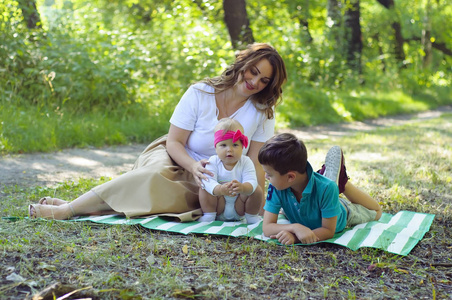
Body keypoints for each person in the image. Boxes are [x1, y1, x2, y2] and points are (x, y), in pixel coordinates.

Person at [28, 42, 287, 221]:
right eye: (253, 72)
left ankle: (86, 207)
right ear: (243, 63)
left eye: (264, 80)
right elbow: (175, 141)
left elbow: (254, 162)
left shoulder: (263, 110)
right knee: (153, 177)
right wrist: (193, 168)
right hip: (175, 155)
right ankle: (69, 210)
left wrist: (253, 196)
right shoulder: (200, 92)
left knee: (176, 199)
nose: (255, 82)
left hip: (214, 176)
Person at [257, 133, 382, 245]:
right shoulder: (277, 186)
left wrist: (296, 237)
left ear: (290, 177)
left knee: (376, 213)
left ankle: (343, 184)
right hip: (313, 206)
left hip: (342, 212)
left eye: (269, 174)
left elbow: (328, 230)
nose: (266, 177)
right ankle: (327, 177)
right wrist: (295, 227)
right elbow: (267, 227)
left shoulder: (327, 189)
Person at [198, 118, 261, 224]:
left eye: (235, 145)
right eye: (223, 145)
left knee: (256, 189)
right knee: (204, 184)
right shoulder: (213, 161)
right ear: (216, 147)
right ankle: (209, 215)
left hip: (239, 206)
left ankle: (252, 216)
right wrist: (220, 189)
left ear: (242, 147)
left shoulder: (246, 161)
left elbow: (251, 180)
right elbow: (209, 181)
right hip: (218, 206)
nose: (229, 149)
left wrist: (243, 187)